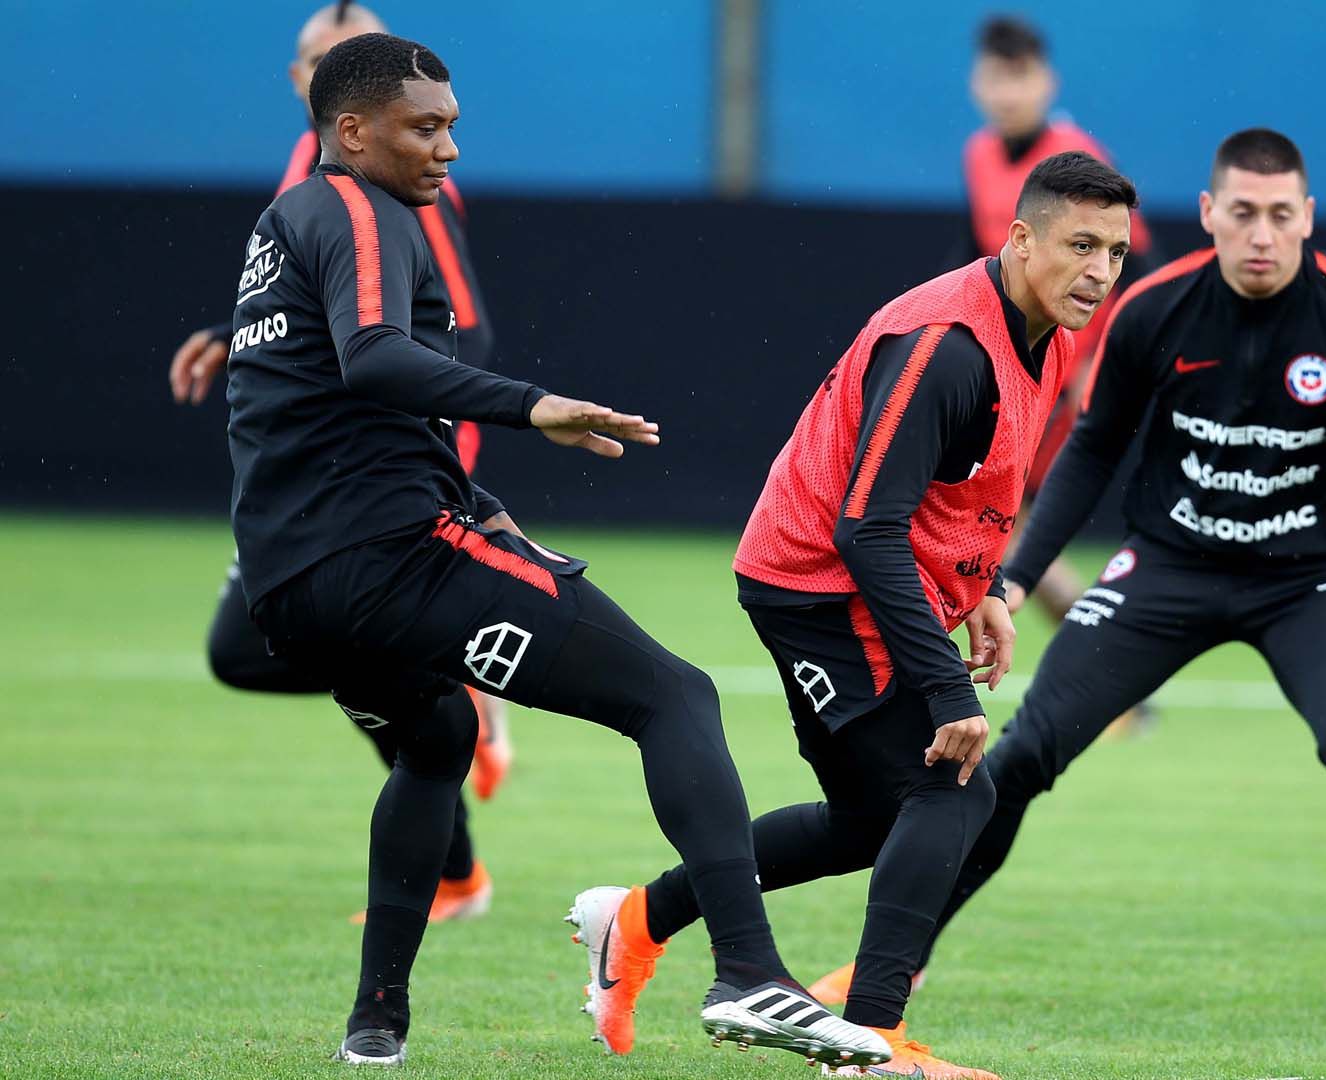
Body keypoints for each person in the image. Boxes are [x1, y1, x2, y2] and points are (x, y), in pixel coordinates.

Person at [225, 33, 887, 1069]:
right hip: (389, 564)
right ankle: (753, 976)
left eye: (453, 127)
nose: (448, 150)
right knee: (674, 696)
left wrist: (476, 501)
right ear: (350, 132)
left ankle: (375, 1028)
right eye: (426, 127)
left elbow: (333, 420)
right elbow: (374, 361)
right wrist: (536, 407)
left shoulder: (285, 220)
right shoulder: (362, 208)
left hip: (291, 593)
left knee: (436, 741)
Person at [822, 127, 1326, 1014]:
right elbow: (1093, 450)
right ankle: (895, 967)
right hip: (1167, 568)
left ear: (1309, 218)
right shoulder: (1152, 311)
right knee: (1020, 756)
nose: (1262, 234)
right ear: (1210, 214)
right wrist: (1015, 579)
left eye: (1281, 216)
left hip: (1312, 580)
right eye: (1243, 213)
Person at [568, 151, 1136, 1080]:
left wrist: (987, 589)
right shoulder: (949, 346)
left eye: (1114, 251)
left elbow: (968, 488)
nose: (1101, 271)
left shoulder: (1053, 329)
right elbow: (866, 527)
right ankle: (869, 1046)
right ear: (1020, 236)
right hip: (816, 584)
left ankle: (633, 920)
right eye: (1080, 245)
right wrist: (947, 687)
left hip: (868, 577)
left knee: (875, 821)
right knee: (952, 787)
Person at [166, 1, 508, 925]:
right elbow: (323, 311)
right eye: (323, 56)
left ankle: (453, 870)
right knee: (263, 653)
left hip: (378, 481)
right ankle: (450, 711)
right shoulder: (308, 172)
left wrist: (452, 467)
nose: (337, 66)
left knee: (304, 651)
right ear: (307, 85)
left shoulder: (403, 181)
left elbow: (454, 328)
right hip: (312, 482)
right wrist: (234, 335)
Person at [953, 15, 1158, 660]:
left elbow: (1136, 269)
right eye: (995, 77)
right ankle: (1109, 656)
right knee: (1001, 536)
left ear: (1047, 81)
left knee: (996, 533)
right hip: (1003, 366)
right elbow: (977, 261)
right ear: (976, 82)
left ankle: (1110, 656)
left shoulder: (1075, 160)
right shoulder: (979, 154)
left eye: (1021, 77)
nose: (1007, 93)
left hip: (1064, 375)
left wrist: (1096, 367)